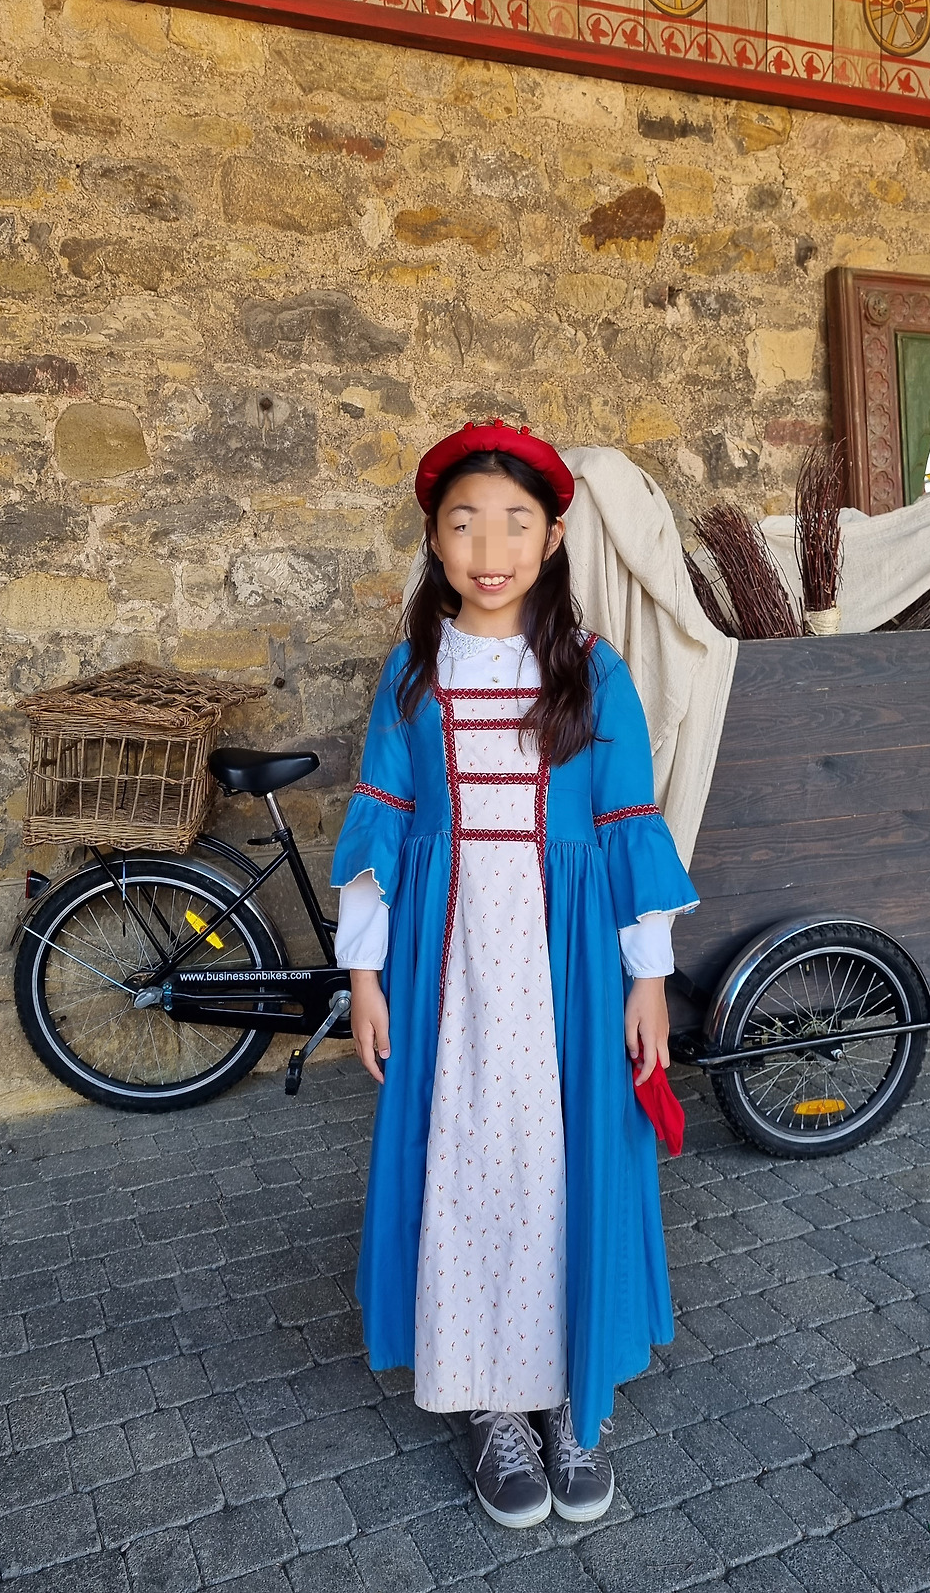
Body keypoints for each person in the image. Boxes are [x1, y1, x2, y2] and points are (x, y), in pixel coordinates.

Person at [331, 421, 699, 1528]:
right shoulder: (413, 675)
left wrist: (647, 979)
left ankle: (572, 1398)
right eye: (463, 523)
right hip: (448, 964)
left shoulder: (593, 670)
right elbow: (378, 828)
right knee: (467, 1165)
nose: (489, 549)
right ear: (433, 540)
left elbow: (629, 829)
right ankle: (492, 1398)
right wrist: (364, 976)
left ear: (551, 538)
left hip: (570, 963)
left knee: (566, 1165)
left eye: (514, 523)